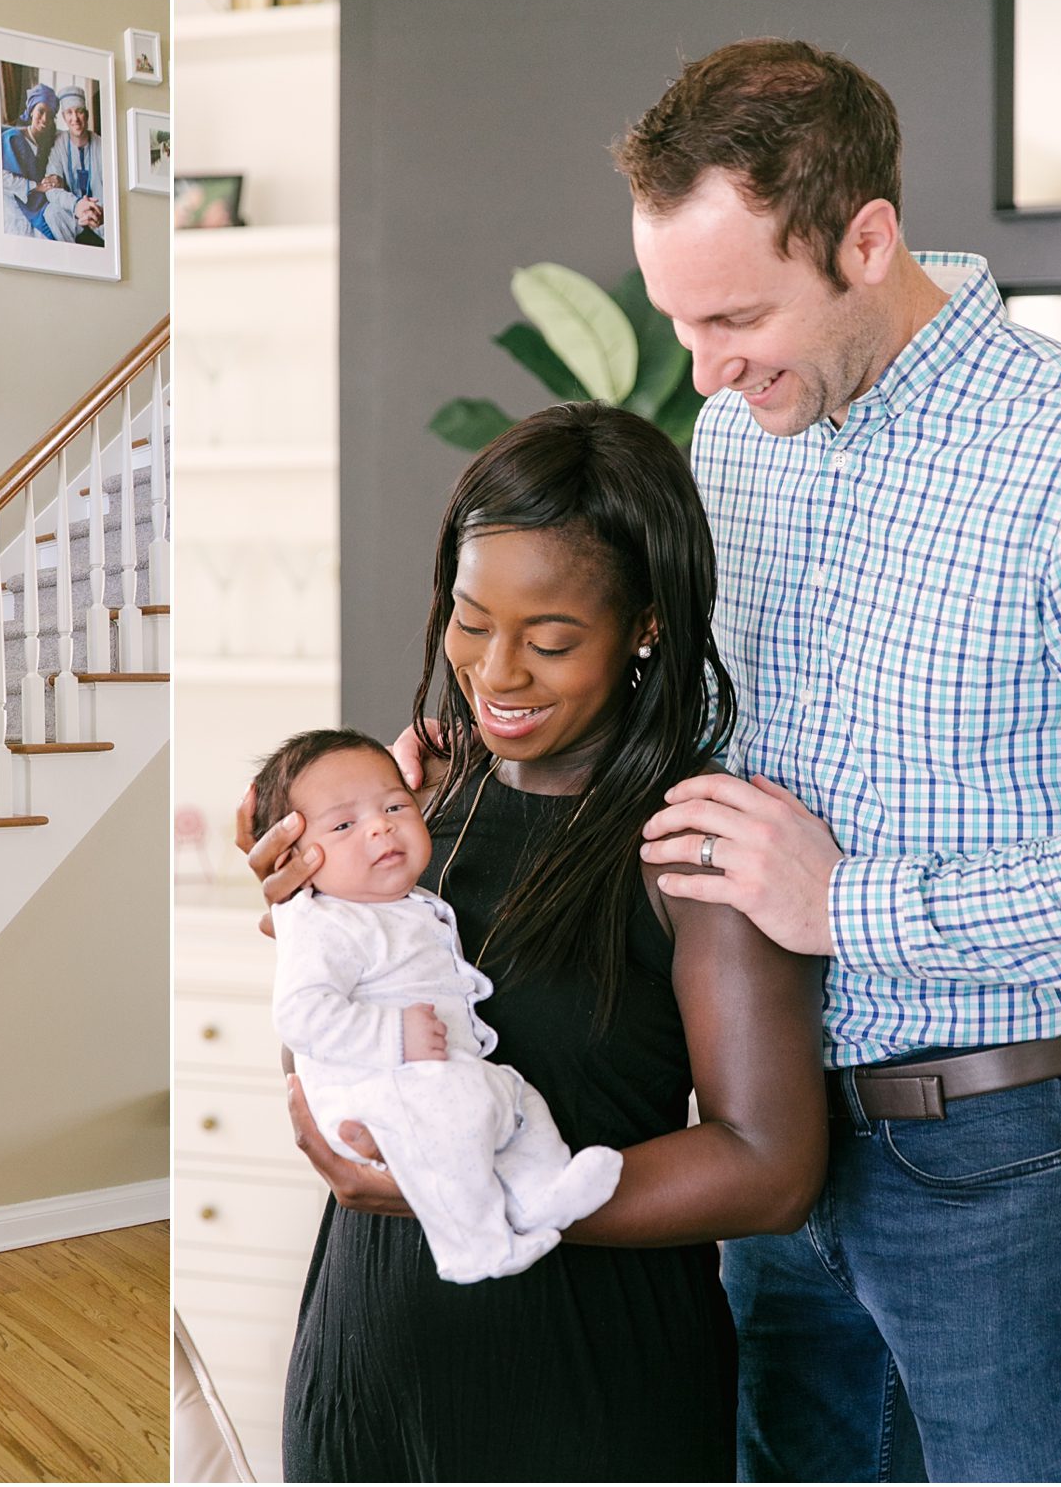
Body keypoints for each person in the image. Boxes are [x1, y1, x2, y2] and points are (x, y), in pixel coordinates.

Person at [611, 40, 1061, 1482]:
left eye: (734, 315)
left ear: (867, 240)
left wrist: (850, 906)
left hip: (1011, 1163)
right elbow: (701, 723)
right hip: (771, 1137)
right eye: (679, 324)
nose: (705, 368)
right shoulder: (739, 436)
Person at [243, 403, 827, 1480]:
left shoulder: (693, 844)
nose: (496, 673)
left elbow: (768, 1169)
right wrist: (304, 927)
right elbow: (333, 1054)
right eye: (470, 623)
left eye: (548, 641)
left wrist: (485, 1198)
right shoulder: (421, 805)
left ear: (644, 625)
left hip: (583, 1394)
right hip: (365, 1372)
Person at [255, 729, 622, 1285]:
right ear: (296, 859)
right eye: (344, 825)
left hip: (433, 1077)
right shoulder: (320, 920)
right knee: (462, 1110)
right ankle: (473, 1245)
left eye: (395, 805)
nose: (380, 825)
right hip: (374, 1089)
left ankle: (540, 1194)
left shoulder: (407, 903)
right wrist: (394, 1035)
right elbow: (300, 1016)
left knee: (514, 1098)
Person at [40, 85, 105, 247]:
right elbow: (51, 189)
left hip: (100, 218)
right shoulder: (58, 145)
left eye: (79, 111)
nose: (75, 118)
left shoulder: (103, 145)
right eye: (69, 113)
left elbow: (112, 189)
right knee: (52, 212)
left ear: (87, 115)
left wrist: (97, 211)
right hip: (74, 217)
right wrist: (76, 205)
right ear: (63, 116)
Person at [0, 83, 61, 238]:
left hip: (41, 203)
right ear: (31, 110)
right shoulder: (12, 138)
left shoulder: (50, 143)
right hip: (14, 201)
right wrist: (37, 187)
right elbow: (2, 178)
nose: (44, 119)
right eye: (41, 111)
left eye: (50, 114)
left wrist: (56, 180)